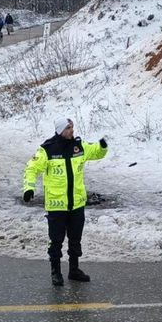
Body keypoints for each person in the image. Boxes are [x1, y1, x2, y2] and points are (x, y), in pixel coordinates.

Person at [22, 118, 108, 286]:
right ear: (61, 130)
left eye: (72, 127)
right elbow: (31, 168)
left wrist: (103, 145)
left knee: (75, 239)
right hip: (57, 206)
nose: (72, 130)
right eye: (68, 128)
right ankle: (56, 272)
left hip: (76, 204)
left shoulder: (79, 146)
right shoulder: (47, 149)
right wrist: (29, 188)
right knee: (56, 240)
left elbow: (96, 152)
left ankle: (74, 270)